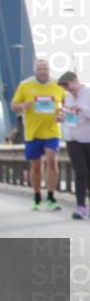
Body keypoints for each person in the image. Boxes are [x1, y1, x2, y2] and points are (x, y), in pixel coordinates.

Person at [11, 59, 67, 211]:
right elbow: (13, 106)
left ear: (49, 70)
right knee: (36, 166)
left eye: (45, 69)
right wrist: (23, 105)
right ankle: (36, 196)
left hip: (52, 131)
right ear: (35, 70)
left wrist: (61, 113)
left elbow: (66, 104)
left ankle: (51, 196)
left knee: (52, 161)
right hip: (33, 133)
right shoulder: (25, 85)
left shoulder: (58, 85)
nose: (43, 72)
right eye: (40, 69)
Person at [58, 71, 90, 219]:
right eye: (65, 88)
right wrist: (61, 118)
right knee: (80, 172)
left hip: (88, 139)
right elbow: (69, 116)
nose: (68, 90)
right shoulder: (68, 96)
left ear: (76, 81)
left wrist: (82, 109)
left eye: (69, 87)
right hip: (73, 139)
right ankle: (80, 206)